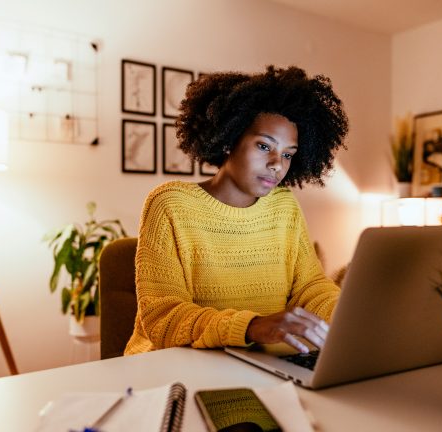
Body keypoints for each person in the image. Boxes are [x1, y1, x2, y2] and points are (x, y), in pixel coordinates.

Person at [124, 66, 349, 356]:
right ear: (229, 139)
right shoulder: (171, 204)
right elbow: (163, 317)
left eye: (288, 154)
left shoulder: (284, 206)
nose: (277, 164)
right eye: (264, 146)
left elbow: (311, 287)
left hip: (259, 361)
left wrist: (346, 315)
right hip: (174, 366)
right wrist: (251, 326)